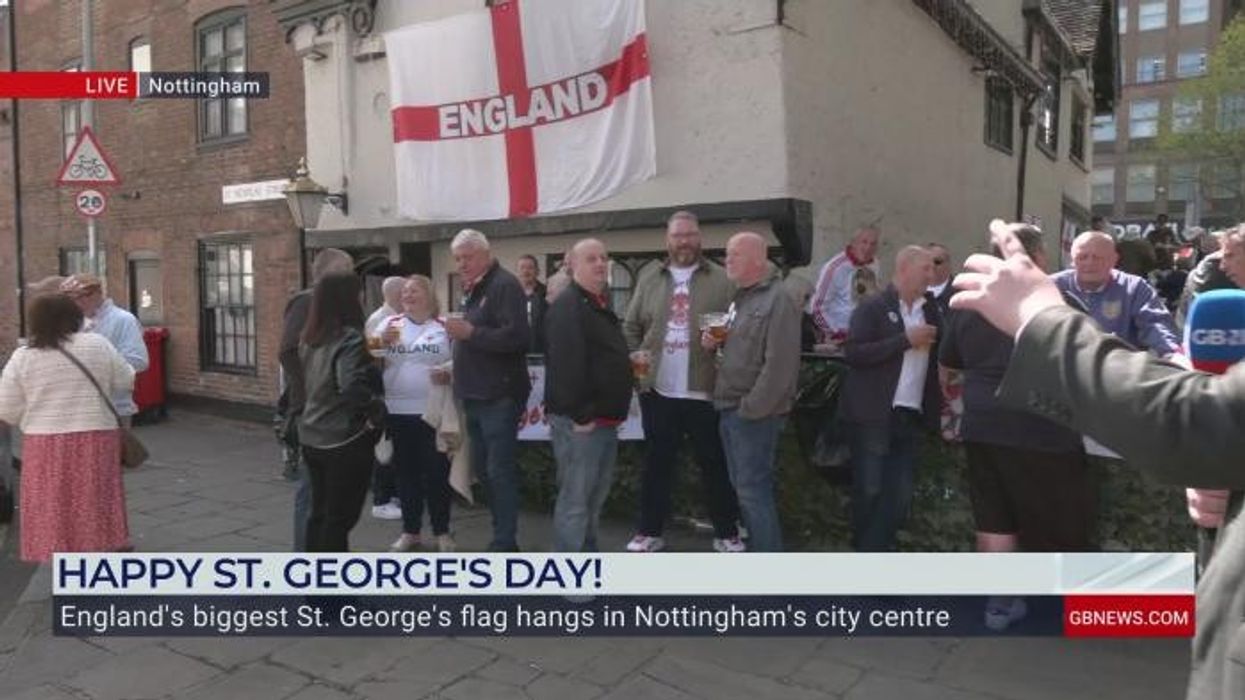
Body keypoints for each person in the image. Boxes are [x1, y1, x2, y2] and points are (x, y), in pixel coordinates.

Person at [951, 221, 1245, 700]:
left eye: (1094, 258)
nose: (1221, 264)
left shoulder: (1128, 291)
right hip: (1028, 430)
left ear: (1114, 262)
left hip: (1059, 432)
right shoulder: (1056, 287)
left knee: (1051, 518)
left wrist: (1042, 320)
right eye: (1079, 257)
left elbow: (1164, 346)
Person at [938, 222, 1091, 630]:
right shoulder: (1059, 300)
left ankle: (999, 606)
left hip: (984, 423)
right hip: (1043, 427)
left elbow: (949, 364)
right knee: (1057, 518)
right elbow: (1089, 366)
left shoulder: (968, 301)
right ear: (1038, 258)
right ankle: (1059, 611)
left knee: (994, 517)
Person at [622, 210, 742, 553]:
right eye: (678, 236)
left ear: (699, 238)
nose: (684, 241)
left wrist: (724, 341)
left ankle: (726, 532)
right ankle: (649, 531)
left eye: (689, 235)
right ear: (668, 240)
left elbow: (742, 326)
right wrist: (634, 357)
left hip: (706, 389)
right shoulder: (649, 278)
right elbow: (630, 325)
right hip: (658, 390)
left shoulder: (722, 279)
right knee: (656, 466)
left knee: (715, 466)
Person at [0, 294, 135, 562]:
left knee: (52, 501)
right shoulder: (98, 345)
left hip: (44, 441)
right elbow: (125, 380)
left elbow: (7, 408)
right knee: (95, 496)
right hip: (96, 435)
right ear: (75, 316)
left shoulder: (24, 356)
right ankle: (100, 549)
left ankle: (59, 555)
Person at [841, 246, 942, 552]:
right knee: (869, 490)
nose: (931, 274)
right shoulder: (873, 307)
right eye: (925, 268)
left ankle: (877, 556)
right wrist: (903, 341)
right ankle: (868, 559)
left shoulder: (930, 310)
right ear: (903, 269)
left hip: (910, 413)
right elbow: (854, 352)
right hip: (874, 414)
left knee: (899, 495)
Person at [704, 232, 801, 552]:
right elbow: (744, 349)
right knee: (745, 490)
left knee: (753, 492)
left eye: (735, 254)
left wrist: (751, 408)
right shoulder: (741, 297)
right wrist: (717, 344)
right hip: (730, 407)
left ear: (759, 259)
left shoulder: (779, 298)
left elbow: (780, 365)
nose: (727, 260)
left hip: (752, 414)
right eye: (727, 254)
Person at [444, 229, 531, 552]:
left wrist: (470, 332)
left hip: (499, 396)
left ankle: (505, 541)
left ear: (485, 253)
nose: (461, 264)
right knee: (484, 470)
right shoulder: (476, 286)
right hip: (475, 394)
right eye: (457, 258)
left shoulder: (504, 285)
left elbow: (519, 339)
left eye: (467, 257)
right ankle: (500, 531)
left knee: (499, 471)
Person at [544, 239, 632, 552]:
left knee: (593, 500)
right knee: (577, 502)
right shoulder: (569, 306)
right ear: (574, 266)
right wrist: (582, 415)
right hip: (582, 423)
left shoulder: (596, 303)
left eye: (603, 258)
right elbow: (566, 366)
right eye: (591, 258)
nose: (599, 264)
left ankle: (588, 562)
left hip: (603, 421)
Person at [299, 273, 384, 553]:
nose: (361, 297)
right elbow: (349, 385)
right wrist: (374, 408)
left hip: (312, 434)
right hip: (343, 438)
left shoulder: (311, 337)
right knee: (339, 518)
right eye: (358, 293)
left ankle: (316, 591)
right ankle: (333, 593)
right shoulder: (349, 338)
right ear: (347, 299)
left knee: (319, 514)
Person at [279, 248, 354, 551]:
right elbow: (287, 350)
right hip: (314, 413)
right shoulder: (307, 302)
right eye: (348, 271)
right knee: (313, 494)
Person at [381, 275, 456, 553]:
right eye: (405, 292)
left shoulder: (444, 326)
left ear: (429, 295)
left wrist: (448, 370)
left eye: (415, 291)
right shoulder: (390, 324)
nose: (408, 295)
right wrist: (378, 343)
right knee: (406, 474)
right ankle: (410, 531)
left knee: (438, 473)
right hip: (397, 411)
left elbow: (459, 358)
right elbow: (368, 359)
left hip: (433, 412)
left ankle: (442, 532)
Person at [1053, 231, 1183, 361]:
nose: (1089, 263)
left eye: (1098, 257)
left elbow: (1156, 324)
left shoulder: (1133, 288)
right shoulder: (1052, 287)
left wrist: (1172, 353)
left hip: (1118, 369)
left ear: (1114, 260)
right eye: (1082, 257)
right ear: (1072, 260)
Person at [60, 273, 148, 426]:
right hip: (75, 408)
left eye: (81, 297)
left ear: (97, 294)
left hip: (113, 407)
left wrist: (95, 364)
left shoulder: (123, 319)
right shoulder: (70, 320)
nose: (76, 303)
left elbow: (139, 361)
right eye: (71, 299)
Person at [364, 275, 406, 521]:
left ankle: (394, 495)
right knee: (384, 446)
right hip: (385, 391)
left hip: (397, 390)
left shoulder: (398, 319)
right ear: (393, 294)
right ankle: (381, 500)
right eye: (405, 292)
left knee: (395, 446)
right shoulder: (379, 319)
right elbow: (371, 353)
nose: (408, 296)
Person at [808, 226, 881, 345]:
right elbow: (816, 308)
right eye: (864, 242)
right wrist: (835, 333)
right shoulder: (834, 267)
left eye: (873, 244)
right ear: (853, 243)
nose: (868, 248)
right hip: (839, 337)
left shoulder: (874, 264)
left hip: (864, 335)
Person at [517, 254, 549, 354]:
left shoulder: (547, 293)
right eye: (522, 268)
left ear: (537, 271)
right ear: (517, 271)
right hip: (517, 350)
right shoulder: (510, 294)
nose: (526, 271)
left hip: (542, 350)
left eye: (530, 268)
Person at [926, 242, 955, 316]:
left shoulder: (960, 297)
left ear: (948, 265)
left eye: (937, 262)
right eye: (927, 261)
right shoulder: (910, 293)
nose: (932, 266)